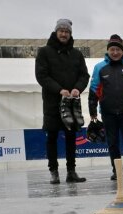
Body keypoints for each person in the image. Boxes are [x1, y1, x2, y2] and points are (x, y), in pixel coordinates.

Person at [35, 19, 90, 184]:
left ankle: (71, 171)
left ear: (70, 34)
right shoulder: (44, 52)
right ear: (56, 32)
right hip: (52, 103)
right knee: (51, 137)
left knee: (71, 137)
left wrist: (77, 89)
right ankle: (54, 171)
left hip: (71, 104)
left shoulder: (77, 54)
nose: (64, 34)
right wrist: (59, 90)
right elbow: (41, 76)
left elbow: (84, 75)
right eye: (61, 31)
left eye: (67, 31)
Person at [88, 34, 123, 180]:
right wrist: (92, 110)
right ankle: (116, 170)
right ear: (108, 51)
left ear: (122, 51)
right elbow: (93, 89)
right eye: (112, 49)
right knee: (112, 143)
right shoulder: (99, 68)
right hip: (108, 113)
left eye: (117, 50)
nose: (115, 52)